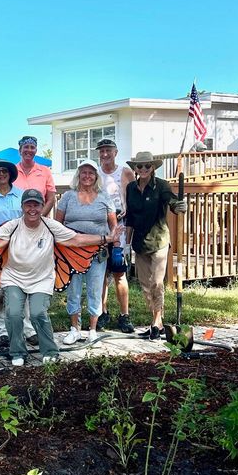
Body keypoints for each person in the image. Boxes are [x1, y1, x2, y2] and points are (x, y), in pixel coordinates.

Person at [0, 189, 113, 367]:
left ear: (42, 206)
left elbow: (77, 240)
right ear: (22, 206)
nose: (32, 209)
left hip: (42, 278)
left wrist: (107, 238)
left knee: (38, 312)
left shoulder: (50, 226)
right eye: (28, 204)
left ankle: (50, 351)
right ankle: (17, 351)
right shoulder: (13, 226)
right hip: (14, 277)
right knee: (13, 313)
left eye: (36, 204)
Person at [123, 151, 187, 340]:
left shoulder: (161, 186)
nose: (143, 169)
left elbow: (171, 201)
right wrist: (126, 244)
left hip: (158, 240)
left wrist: (178, 206)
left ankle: (155, 322)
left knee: (156, 284)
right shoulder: (131, 189)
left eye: (147, 166)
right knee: (144, 286)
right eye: (139, 166)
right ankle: (157, 322)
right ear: (135, 168)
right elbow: (130, 218)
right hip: (139, 243)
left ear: (153, 168)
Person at [55, 159, 116, 344]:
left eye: (91, 173)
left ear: (96, 176)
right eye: (84, 172)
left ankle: (92, 329)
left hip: (97, 252)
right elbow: (58, 224)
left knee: (95, 289)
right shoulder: (68, 196)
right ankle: (74, 329)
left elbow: (113, 225)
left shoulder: (104, 197)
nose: (87, 176)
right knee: (73, 290)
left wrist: (113, 240)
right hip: (71, 253)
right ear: (78, 175)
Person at [0, 159, 33, 350]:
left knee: (24, 287)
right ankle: (2, 331)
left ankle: (28, 329)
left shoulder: (20, 194)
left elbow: (28, 218)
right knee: (0, 291)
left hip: (21, 246)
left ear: (10, 173)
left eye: (4, 171)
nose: (1, 174)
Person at [95, 138, 135, 333]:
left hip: (119, 228)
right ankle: (103, 312)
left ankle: (124, 315)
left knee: (119, 272)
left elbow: (133, 196)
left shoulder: (125, 172)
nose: (105, 154)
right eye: (101, 151)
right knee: (102, 273)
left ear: (115, 152)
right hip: (101, 228)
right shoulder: (95, 173)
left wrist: (128, 210)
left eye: (108, 150)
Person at [13, 135, 56, 216]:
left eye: (32, 147)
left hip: (40, 220)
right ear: (20, 150)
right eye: (26, 147)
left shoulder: (45, 171)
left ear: (36, 151)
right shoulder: (12, 171)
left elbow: (51, 199)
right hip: (15, 220)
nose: (29, 150)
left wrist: (39, 217)